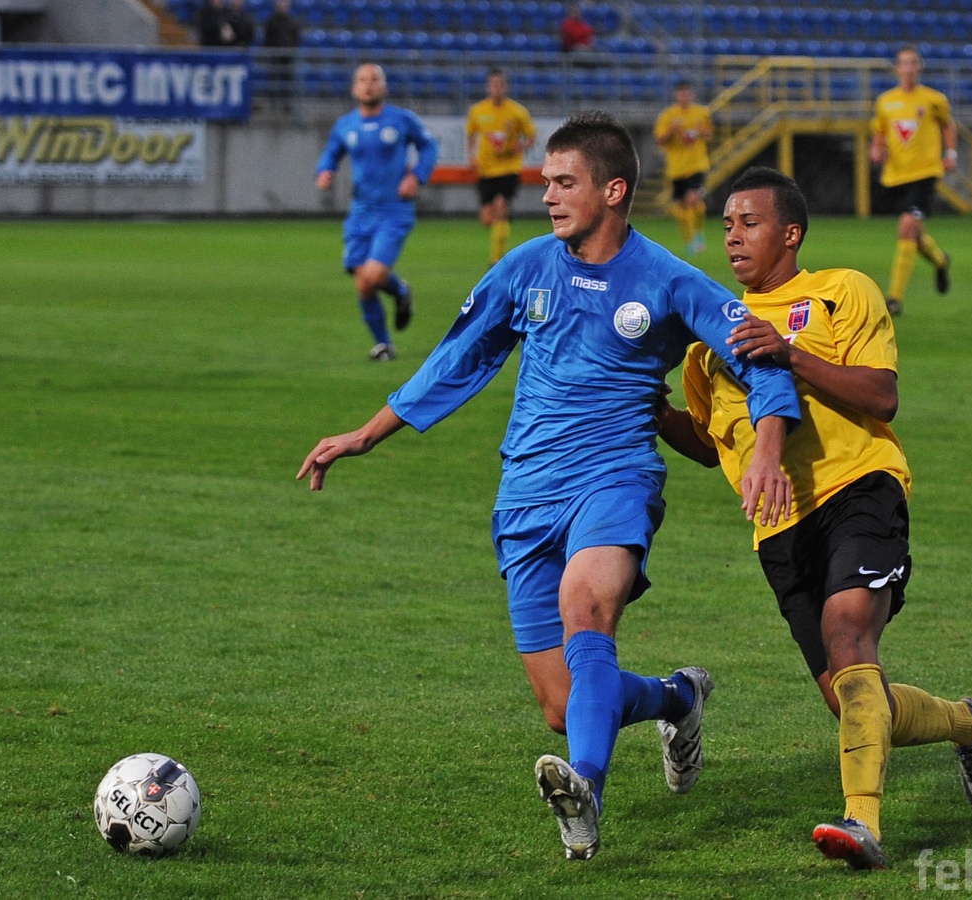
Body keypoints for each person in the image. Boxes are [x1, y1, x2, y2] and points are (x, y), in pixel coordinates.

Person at [299, 112, 802, 861]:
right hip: (526, 493)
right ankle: (678, 697)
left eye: (565, 182)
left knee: (585, 608)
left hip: (615, 477)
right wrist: (365, 434)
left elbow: (762, 359)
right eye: (546, 182)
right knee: (563, 708)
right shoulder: (526, 266)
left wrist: (767, 452)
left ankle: (586, 793)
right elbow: (457, 357)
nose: (548, 196)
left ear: (613, 190)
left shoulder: (667, 279)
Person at [654, 166, 972, 871]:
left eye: (749, 223)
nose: (732, 236)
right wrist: (654, 412)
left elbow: (881, 395)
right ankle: (969, 723)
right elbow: (712, 444)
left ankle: (861, 823)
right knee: (853, 703)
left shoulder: (842, 290)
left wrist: (789, 353)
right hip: (779, 527)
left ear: (790, 234)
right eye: (726, 224)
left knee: (848, 635)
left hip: (859, 487)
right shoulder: (708, 338)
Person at [314, 64, 437, 361]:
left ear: (384, 87)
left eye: (374, 80)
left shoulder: (401, 119)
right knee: (364, 285)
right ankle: (383, 344)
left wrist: (416, 176)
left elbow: (429, 147)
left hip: (394, 211)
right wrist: (325, 171)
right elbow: (330, 153)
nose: (368, 85)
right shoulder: (345, 125)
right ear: (354, 88)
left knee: (374, 274)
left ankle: (400, 292)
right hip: (360, 213)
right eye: (362, 80)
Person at [870, 45, 954, 317]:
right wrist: (877, 149)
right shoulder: (886, 101)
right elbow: (880, 131)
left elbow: (947, 125)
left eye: (913, 63)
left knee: (906, 228)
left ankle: (894, 298)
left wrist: (950, 154)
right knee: (914, 237)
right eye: (904, 63)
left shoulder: (933, 99)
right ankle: (940, 261)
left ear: (919, 67)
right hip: (896, 175)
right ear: (897, 68)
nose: (908, 68)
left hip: (925, 173)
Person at [465, 69, 535, 266]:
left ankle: (496, 259)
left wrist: (519, 146)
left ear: (506, 87)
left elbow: (531, 137)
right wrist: (471, 157)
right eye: (493, 84)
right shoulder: (478, 111)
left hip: (509, 168)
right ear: (488, 87)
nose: (497, 88)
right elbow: (471, 135)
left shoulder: (517, 112)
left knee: (501, 207)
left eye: (500, 85)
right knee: (487, 218)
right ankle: (501, 225)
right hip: (486, 170)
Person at [653, 79, 713, 255]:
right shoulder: (668, 116)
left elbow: (709, 133)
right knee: (682, 206)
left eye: (687, 93)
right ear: (676, 95)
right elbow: (659, 140)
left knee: (694, 198)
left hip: (697, 164)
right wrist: (671, 131)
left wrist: (702, 132)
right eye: (681, 93)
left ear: (691, 94)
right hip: (676, 167)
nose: (684, 96)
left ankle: (699, 235)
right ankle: (689, 240)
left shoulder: (701, 113)